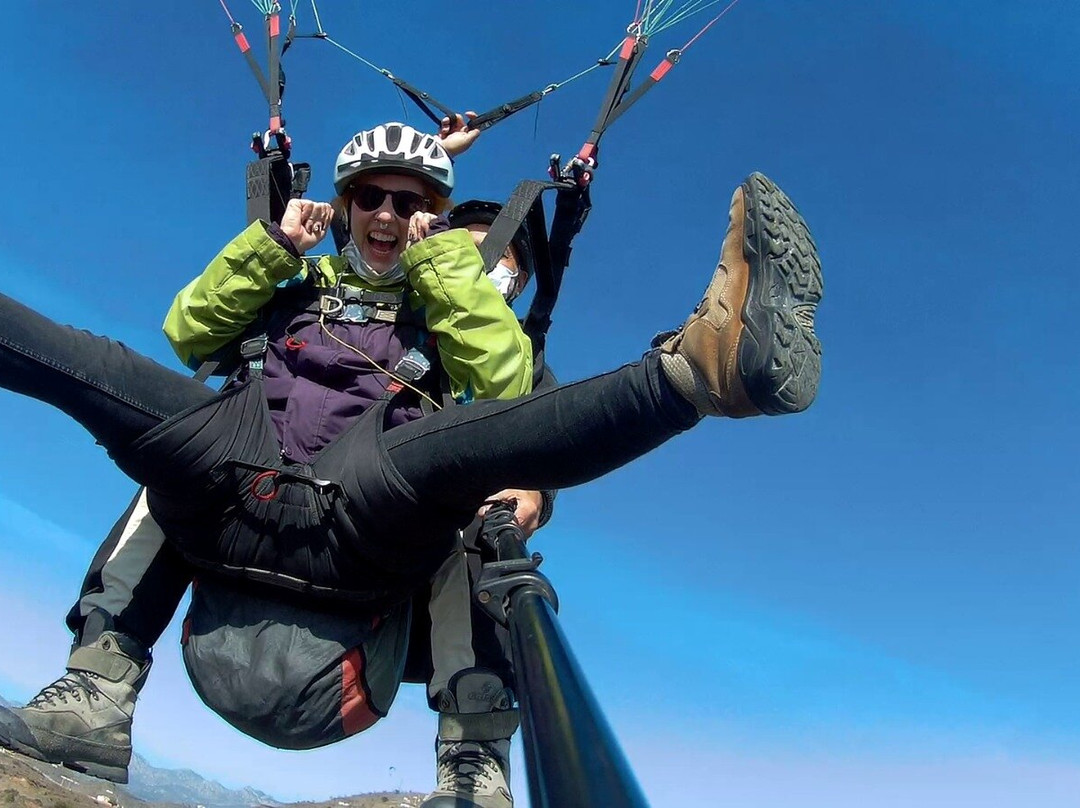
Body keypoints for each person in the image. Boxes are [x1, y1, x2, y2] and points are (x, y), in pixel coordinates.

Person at [0, 151, 822, 803]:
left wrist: (445, 272)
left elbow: (508, 393)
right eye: (372, 200)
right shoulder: (290, 288)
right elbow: (186, 333)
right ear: (347, 207)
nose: (388, 216)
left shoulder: (450, 316)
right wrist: (273, 245)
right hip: (234, 490)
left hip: (359, 521)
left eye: (409, 204)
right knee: (121, 389)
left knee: (454, 473)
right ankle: (94, 693)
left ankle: (704, 373)